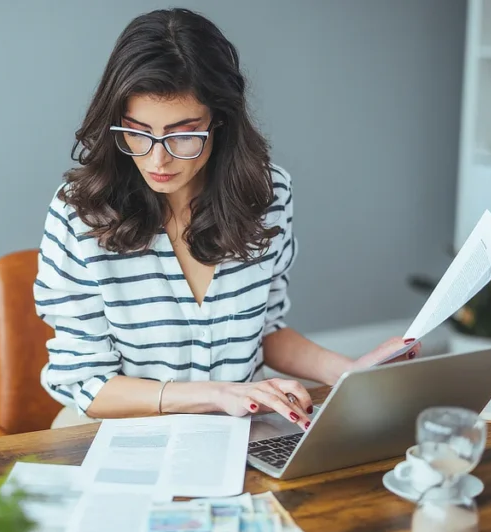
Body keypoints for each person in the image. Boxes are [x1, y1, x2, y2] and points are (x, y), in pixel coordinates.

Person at [33, 8, 420, 430]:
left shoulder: (267, 195)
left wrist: (347, 373)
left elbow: (265, 331)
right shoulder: (80, 214)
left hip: (235, 427)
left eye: (183, 133)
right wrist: (218, 395)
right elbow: (89, 384)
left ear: (220, 120)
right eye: (138, 132)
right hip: (118, 430)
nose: (157, 158)